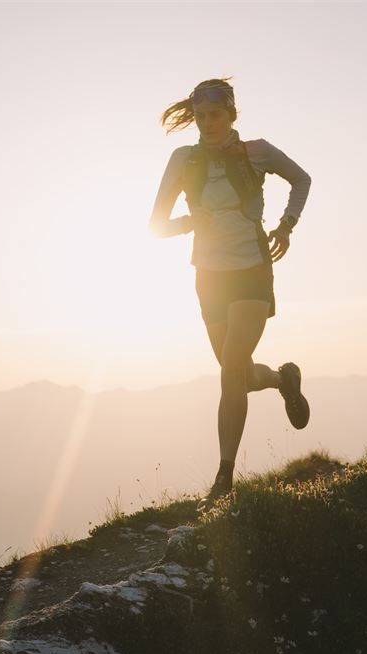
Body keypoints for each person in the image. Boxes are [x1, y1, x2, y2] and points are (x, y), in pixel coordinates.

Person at [149, 77, 312, 511]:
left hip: (252, 272)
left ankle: (224, 478)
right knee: (234, 374)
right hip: (210, 278)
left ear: (231, 114)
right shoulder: (182, 159)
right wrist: (190, 222)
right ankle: (283, 380)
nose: (207, 123)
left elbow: (302, 179)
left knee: (230, 371)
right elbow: (155, 225)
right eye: (200, 116)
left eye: (215, 115)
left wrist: (286, 225)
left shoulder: (256, 151)